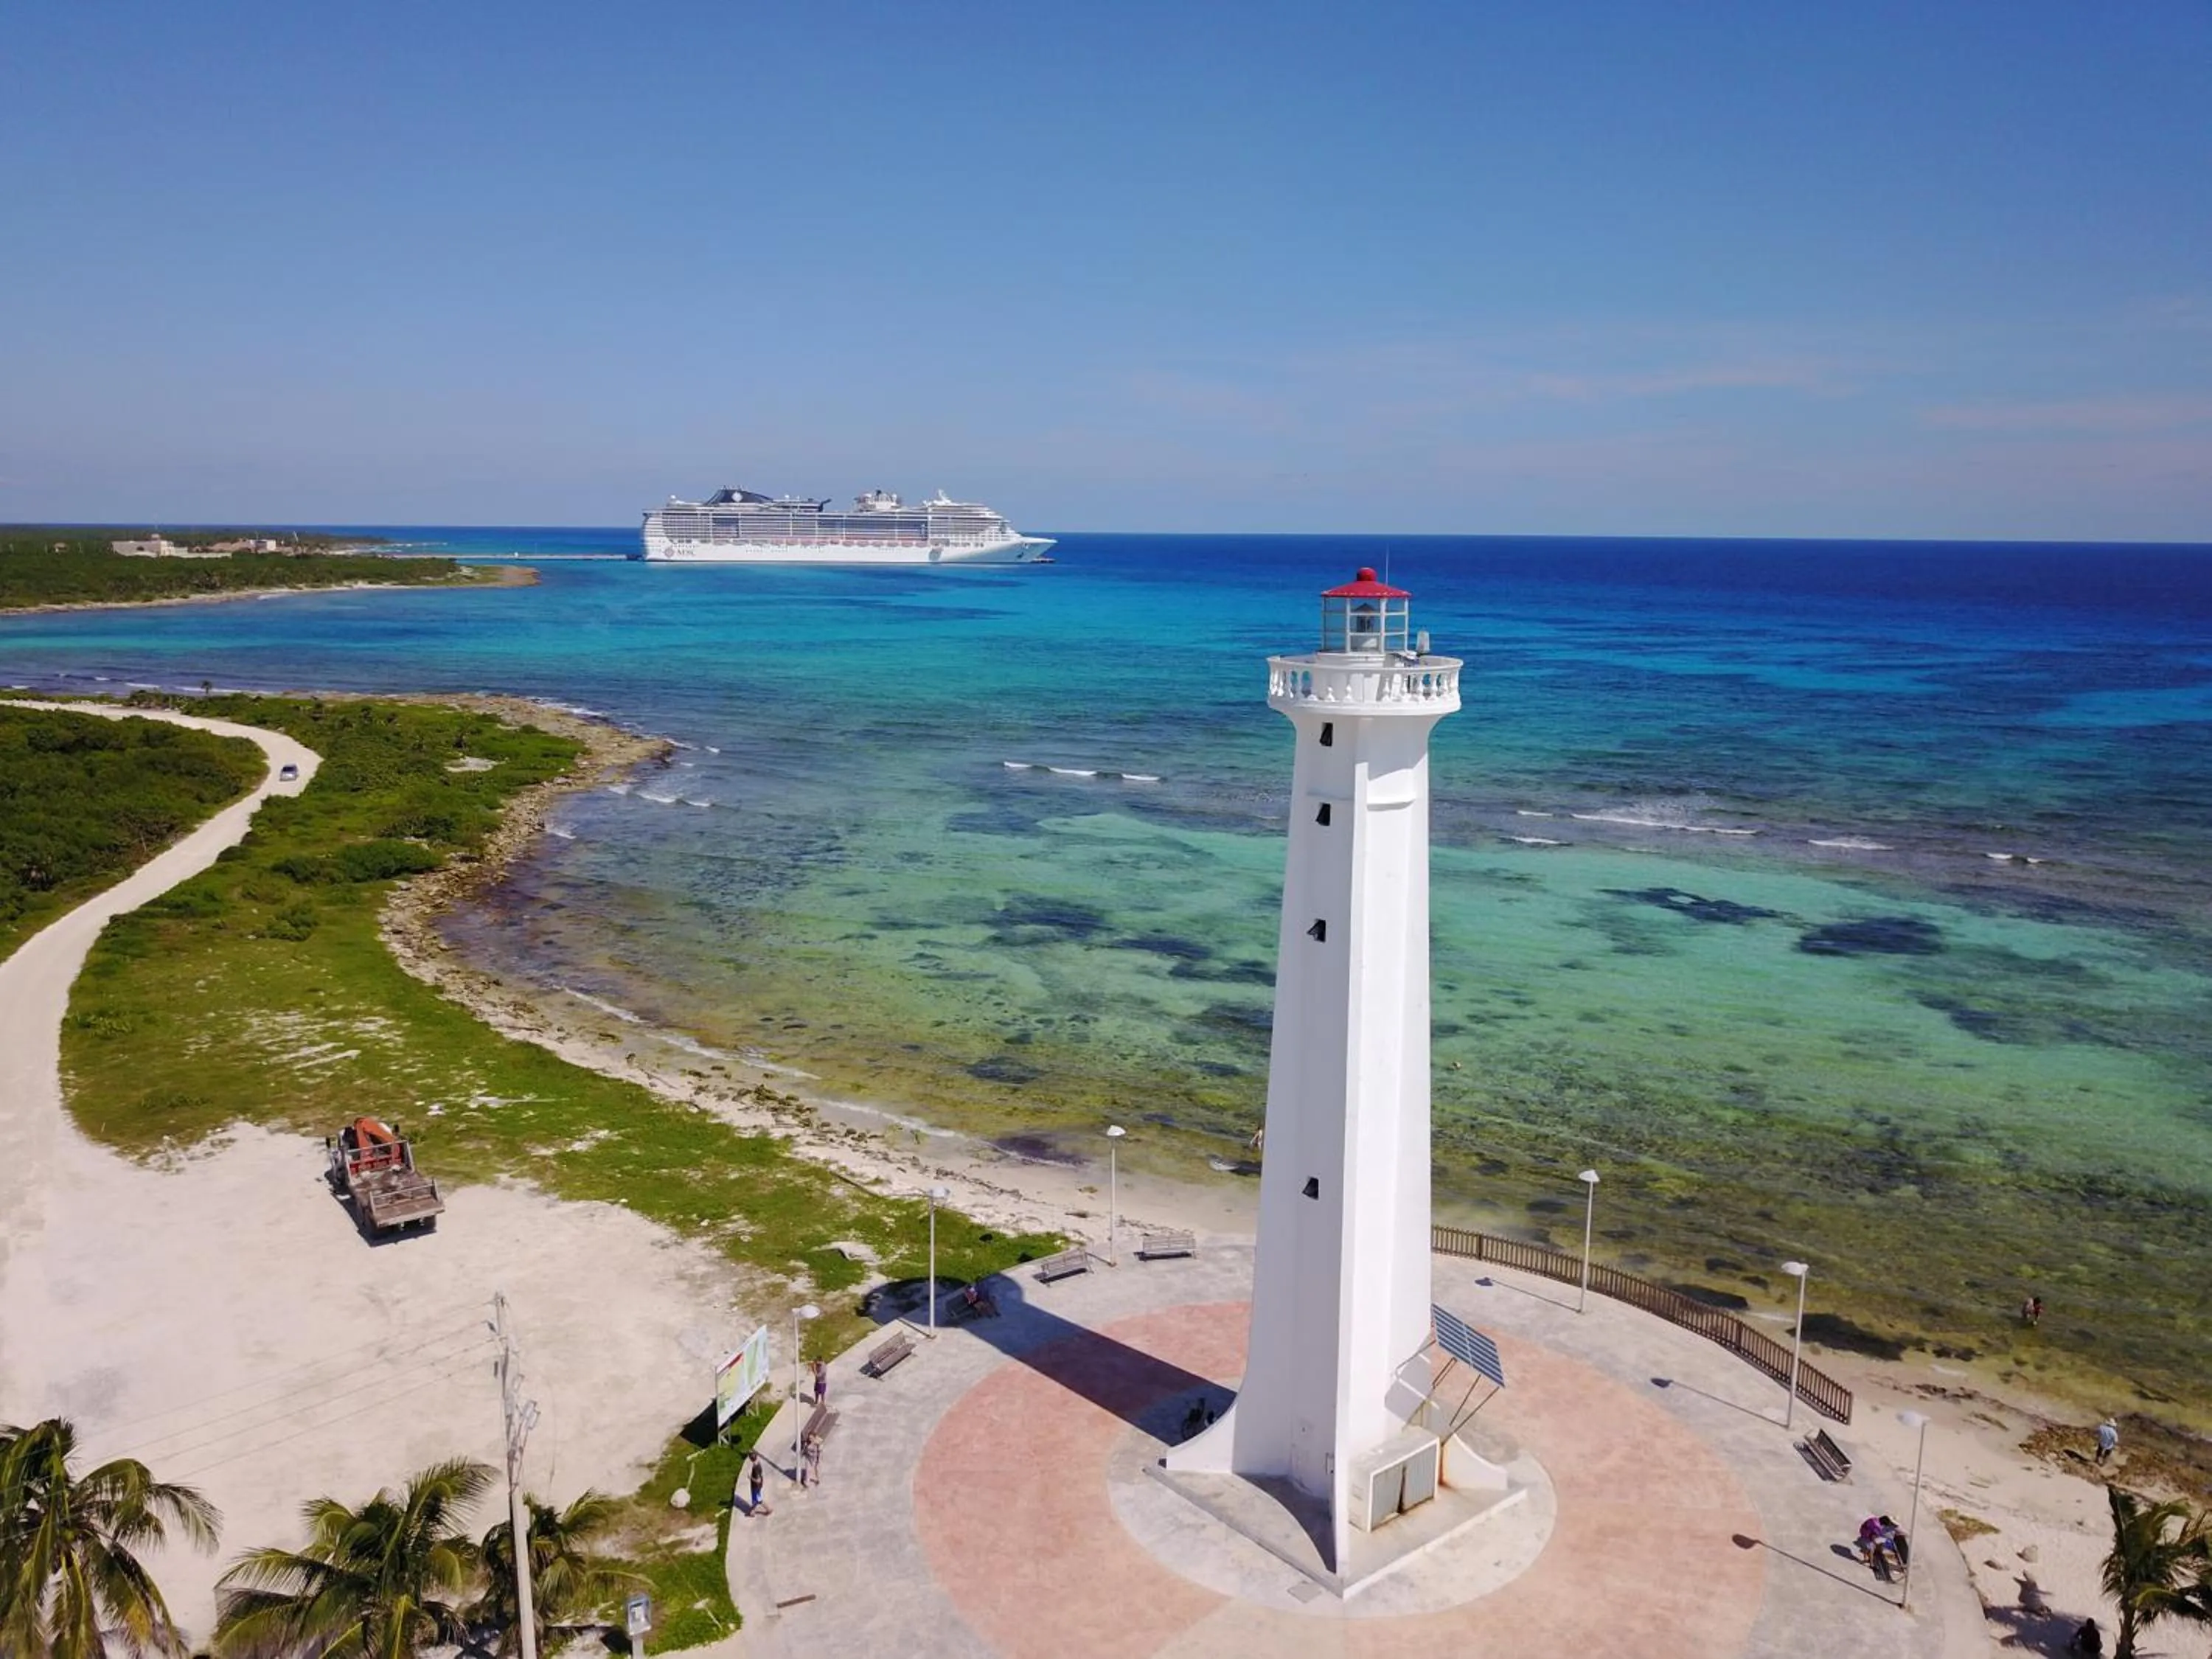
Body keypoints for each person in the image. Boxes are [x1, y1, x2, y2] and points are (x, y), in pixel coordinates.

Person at [746, 1452, 769, 1517]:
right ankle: (752, 1513)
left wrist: (750, 1477)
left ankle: (769, 1509)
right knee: (755, 1499)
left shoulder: (756, 1468)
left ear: (750, 1459)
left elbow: (758, 1481)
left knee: (759, 1500)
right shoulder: (758, 1464)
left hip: (756, 1487)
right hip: (756, 1486)